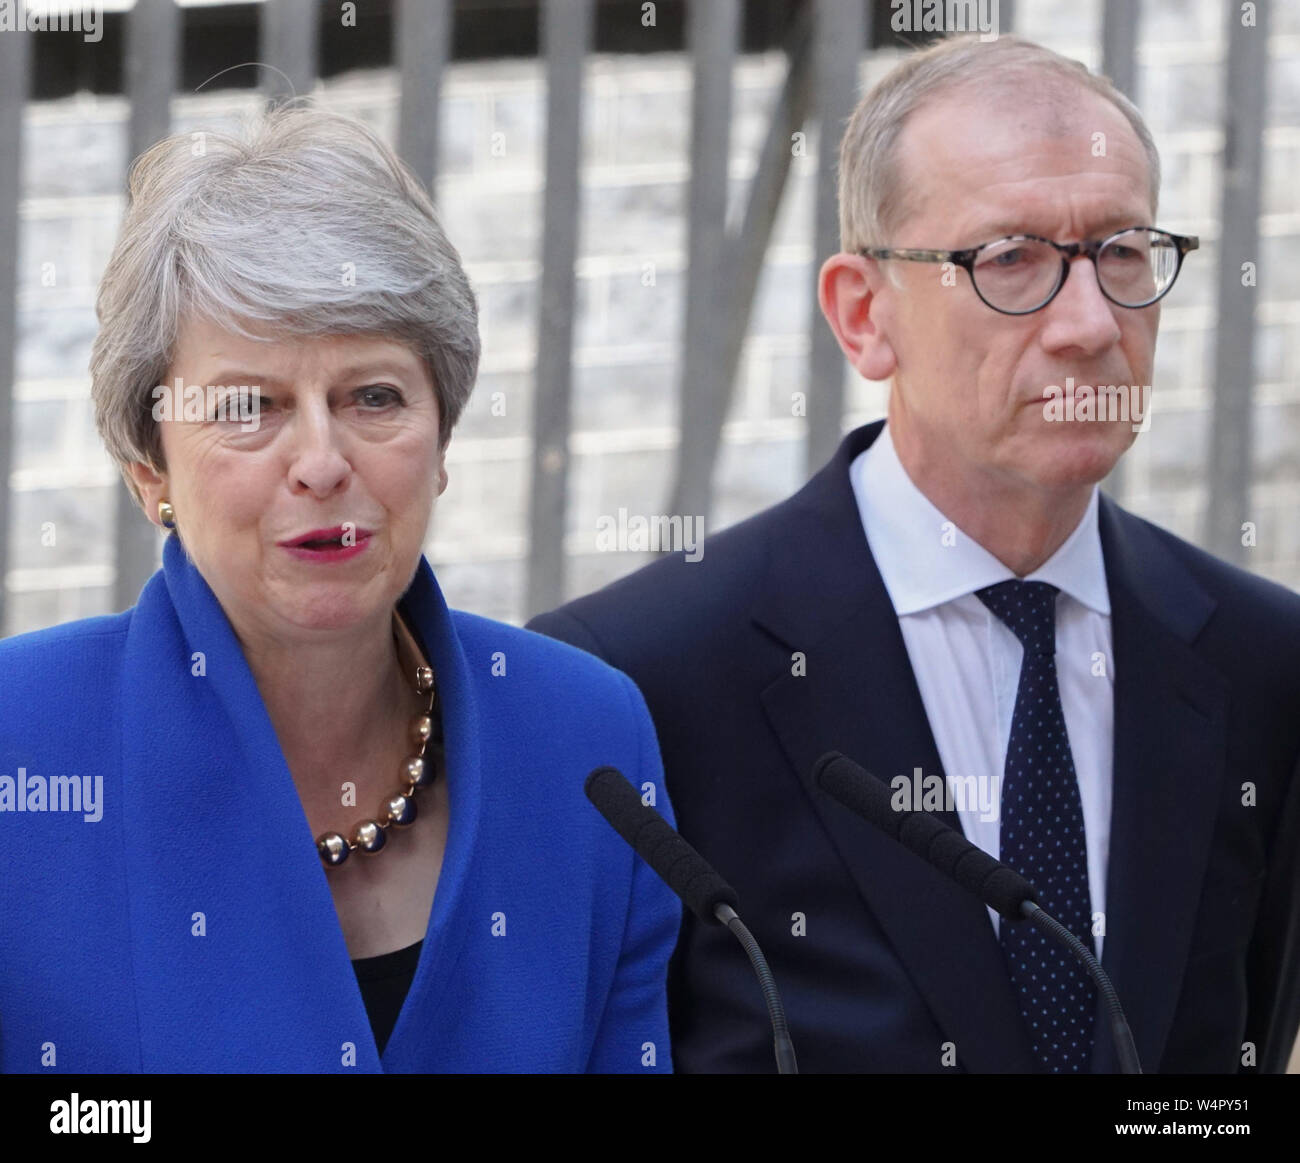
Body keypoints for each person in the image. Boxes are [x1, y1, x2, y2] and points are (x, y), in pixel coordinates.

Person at [529, 35, 1300, 1073]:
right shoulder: (636, 674)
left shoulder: (1259, 658)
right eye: (1011, 258)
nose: (1087, 322)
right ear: (862, 314)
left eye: (1121, 250)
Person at [0, 104, 678, 1073]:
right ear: (149, 469)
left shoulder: (587, 740)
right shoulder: (20, 742)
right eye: (247, 406)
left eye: (373, 396)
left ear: (440, 442)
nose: (321, 460)